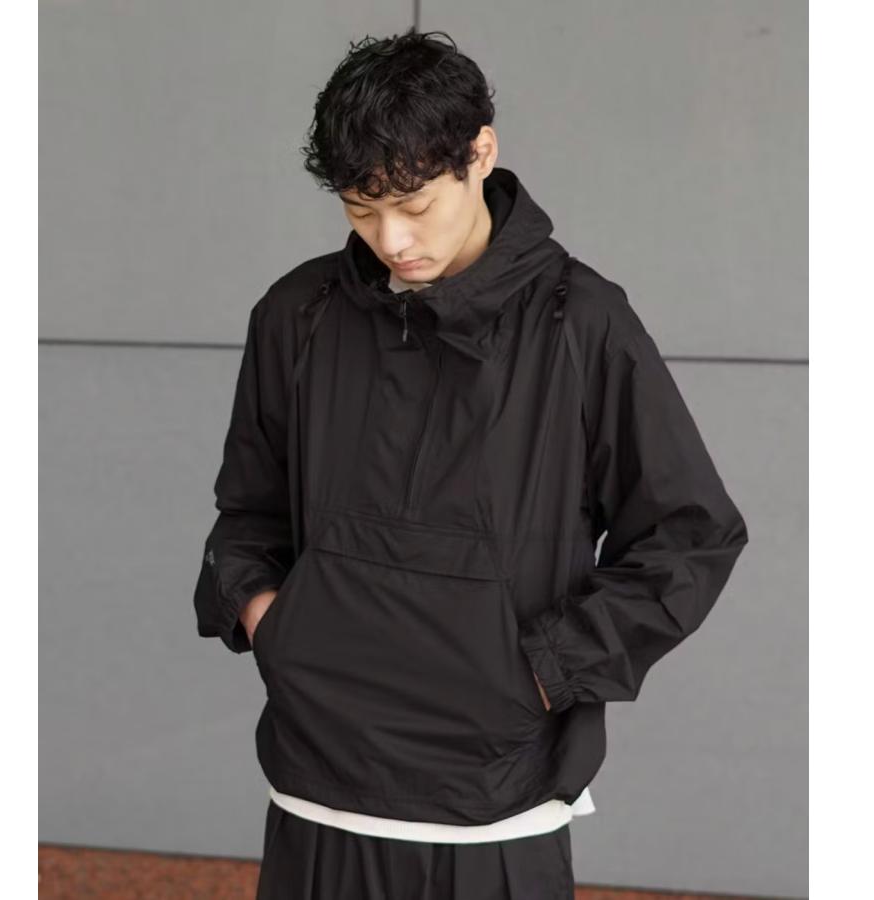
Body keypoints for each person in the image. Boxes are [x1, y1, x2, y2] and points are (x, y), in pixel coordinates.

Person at [192, 28, 749, 900]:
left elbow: (692, 535)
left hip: (496, 804)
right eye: (360, 209)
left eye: (415, 205)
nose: (391, 238)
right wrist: (275, 623)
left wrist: (539, 673)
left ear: (480, 153)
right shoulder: (297, 315)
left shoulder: (580, 323)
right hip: (316, 787)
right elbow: (249, 513)